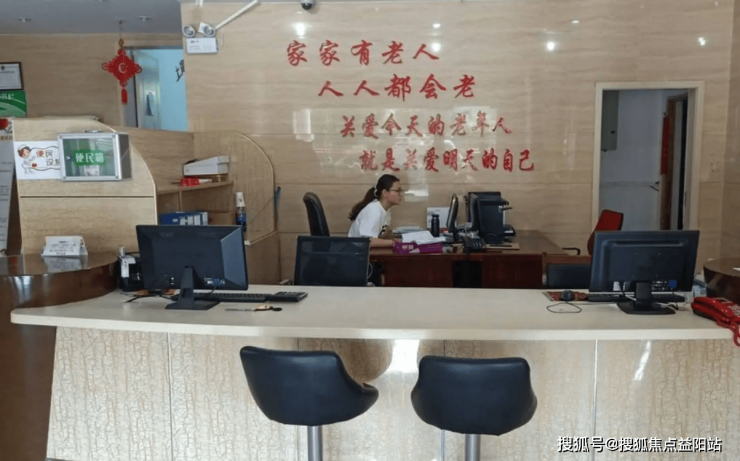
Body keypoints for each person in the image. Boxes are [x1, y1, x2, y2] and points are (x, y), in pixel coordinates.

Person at [348, 174, 402, 248]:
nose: (400, 194)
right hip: (355, 251)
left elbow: (381, 235)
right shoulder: (373, 210)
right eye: (397, 191)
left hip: (366, 251)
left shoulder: (386, 209)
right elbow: (368, 241)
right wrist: (394, 242)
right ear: (384, 193)